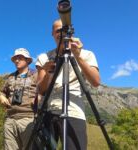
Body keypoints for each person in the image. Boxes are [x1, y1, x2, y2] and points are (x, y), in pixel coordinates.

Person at [35, 19, 100, 150]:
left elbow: (95, 82)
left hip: (74, 112)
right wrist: (47, 72)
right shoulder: (44, 57)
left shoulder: (86, 54)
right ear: (52, 33)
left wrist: (77, 56)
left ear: (71, 31)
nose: (61, 33)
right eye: (57, 30)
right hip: (48, 111)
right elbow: (41, 90)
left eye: (64, 29)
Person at [0, 48, 37, 150]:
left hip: (28, 118)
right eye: (15, 58)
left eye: (20, 58)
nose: (16, 60)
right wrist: (1, 97)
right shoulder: (10, 77)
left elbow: (44, 91)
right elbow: (1, 92)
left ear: (28, 60)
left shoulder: (35, 75)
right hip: (10, 119)